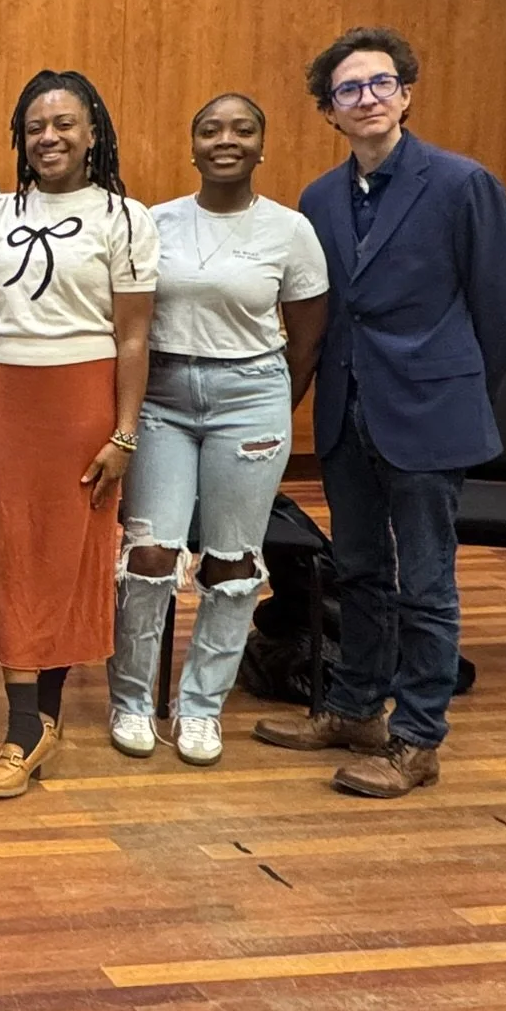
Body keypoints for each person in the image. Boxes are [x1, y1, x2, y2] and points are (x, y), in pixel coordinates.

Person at [254, 27, 506, 798]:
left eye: (380, 84)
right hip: (346, 411)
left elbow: (499, 312)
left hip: (429, 414)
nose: (366, 99)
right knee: (362, 570)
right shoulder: (317, 199)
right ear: (328, 111)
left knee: (427, 582)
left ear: (405, 93)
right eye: (348, 90)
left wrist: (456, 389)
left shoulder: (462, 184)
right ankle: (352, 708)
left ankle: (417, 738)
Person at [107, 94, 329, 766]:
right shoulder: (155, 220)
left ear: (263, 146)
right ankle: (132, 700)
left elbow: (307, 339)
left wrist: (268, 414)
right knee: (150, 556)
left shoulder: (291, 231)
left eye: (242, 130)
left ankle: (202, 708)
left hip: (251, 397)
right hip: (164, 397)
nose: (225, 139)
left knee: (233, 561)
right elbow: (130, 321)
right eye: (210, 129)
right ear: (193, 144)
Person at [0, 70, 157, 799]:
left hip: (82, 399)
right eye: (35, 125)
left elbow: (135, 338)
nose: (48, 137)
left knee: (62, 557)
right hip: (10, 404)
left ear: (93, 133)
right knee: (14, 557)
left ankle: (32, 726)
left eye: (64, 123)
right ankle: (31, 721)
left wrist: (125, 432)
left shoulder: (125, 217)